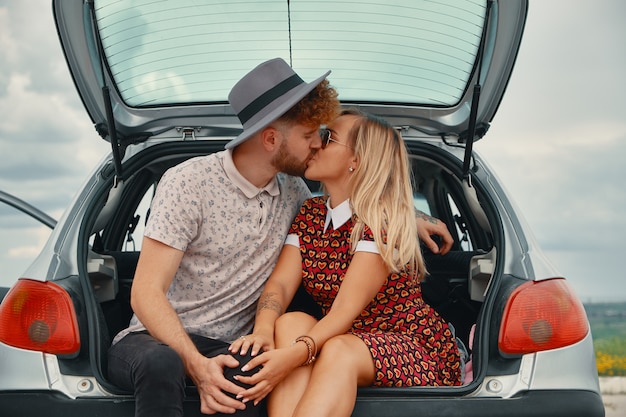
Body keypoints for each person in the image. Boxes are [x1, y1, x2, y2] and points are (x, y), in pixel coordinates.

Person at [107, 58, 453, 417]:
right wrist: (218, 352)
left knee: (272, 368)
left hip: (351, 341)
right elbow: (148, 294)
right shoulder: (195, 184)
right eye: (310, 136)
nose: (317, 144)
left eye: (326, 137)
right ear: (271, 139)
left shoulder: (293, 192)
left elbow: (366, 203)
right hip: (164, 338)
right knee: (173, 360)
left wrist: (410, 216)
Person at [229, 109, 463, 417]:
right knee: (290, 322)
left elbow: (343, 311)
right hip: (341, 336)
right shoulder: (312, 213)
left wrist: (289, 358)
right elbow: (281, 284)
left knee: (340, 351)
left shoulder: (382, 221)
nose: (315, 144)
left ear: (357, 160)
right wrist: (262, 329)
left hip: (406, 342)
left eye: (328, 138)